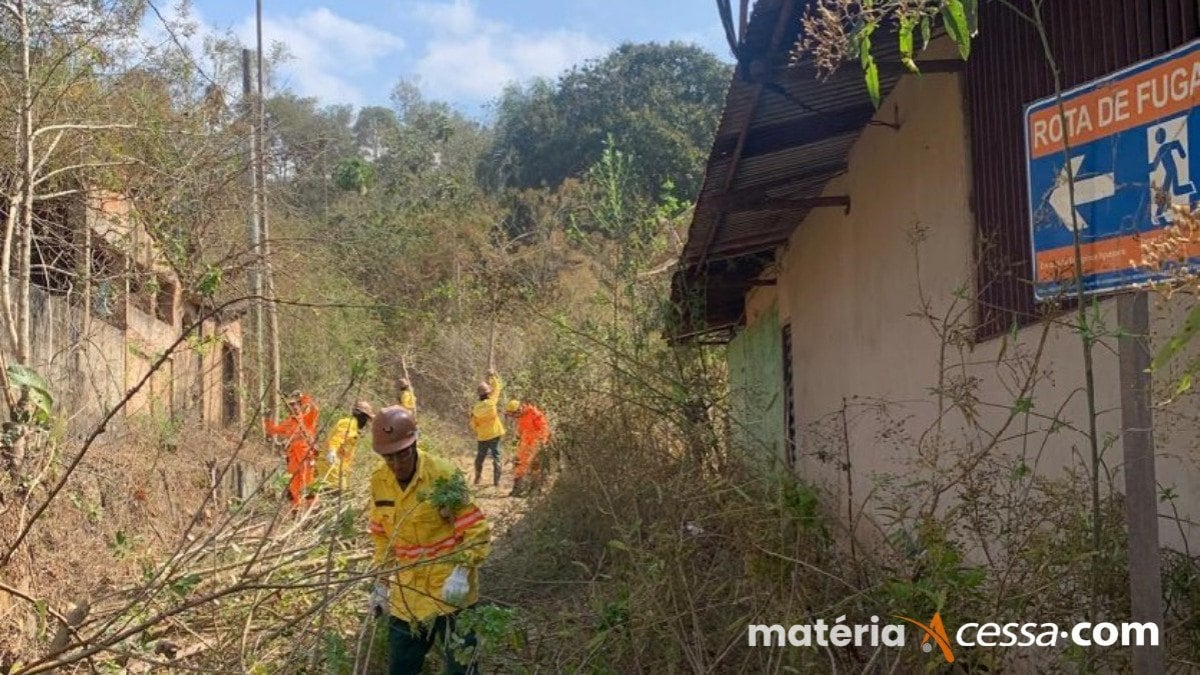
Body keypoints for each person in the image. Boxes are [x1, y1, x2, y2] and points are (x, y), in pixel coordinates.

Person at [368, 406, 492, 675]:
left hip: (451, 591)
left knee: (463, 668)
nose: (398, 464)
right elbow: (382, 537)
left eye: (403, 454)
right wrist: (381, 584)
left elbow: (476, 531)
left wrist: (462, 571)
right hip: (407, 595)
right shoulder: (379, 482)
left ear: (415, 443)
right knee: (402, 667)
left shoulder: (443, 475)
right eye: (390, 458)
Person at [264, 391, 319, 505]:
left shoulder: (307, 418)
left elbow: (315, 409)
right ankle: (295, 510)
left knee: (308, 483)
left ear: (300, 405)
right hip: (293, 457)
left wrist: (303, 396)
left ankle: (311, 510)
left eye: (296, 404)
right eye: (291, 405)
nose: (294, 407)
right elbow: (272, 430)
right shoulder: (288, 423)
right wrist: (267, 418)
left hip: (306, 456)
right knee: (293, 484)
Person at [316, 400, 374, 491]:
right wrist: (332, 451)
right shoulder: (348, 423)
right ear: (362, 416)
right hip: (331, 464)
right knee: (335, 490)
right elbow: (337, 438)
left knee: (339, 490)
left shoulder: (354, 427)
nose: (366, 422)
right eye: (366, 418)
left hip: (338, 466)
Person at [504, 399, 550, 497]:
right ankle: (517, 489)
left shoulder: (535, 414)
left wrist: (542, 444)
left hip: (536, 444)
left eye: (514, 414)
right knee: (519, 465)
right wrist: (513, 446)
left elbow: (544, 429)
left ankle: (535, 490)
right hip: (525, 445)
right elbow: (519, 433)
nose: (514, 417)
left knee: (535, 467)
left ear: (519, 410)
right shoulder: (521, 417)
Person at [469, 370, 504, 487]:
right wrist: (492, 376)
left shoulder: (475, 408)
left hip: (482, 436)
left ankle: (477, 477)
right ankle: (497, 482)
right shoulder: (492, 403)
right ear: (488, 393)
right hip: (495, 434)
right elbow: (497, 388)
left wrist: (478, 430)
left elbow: (473, 424)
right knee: (496, 457)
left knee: (480, 457)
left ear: (479, 395)